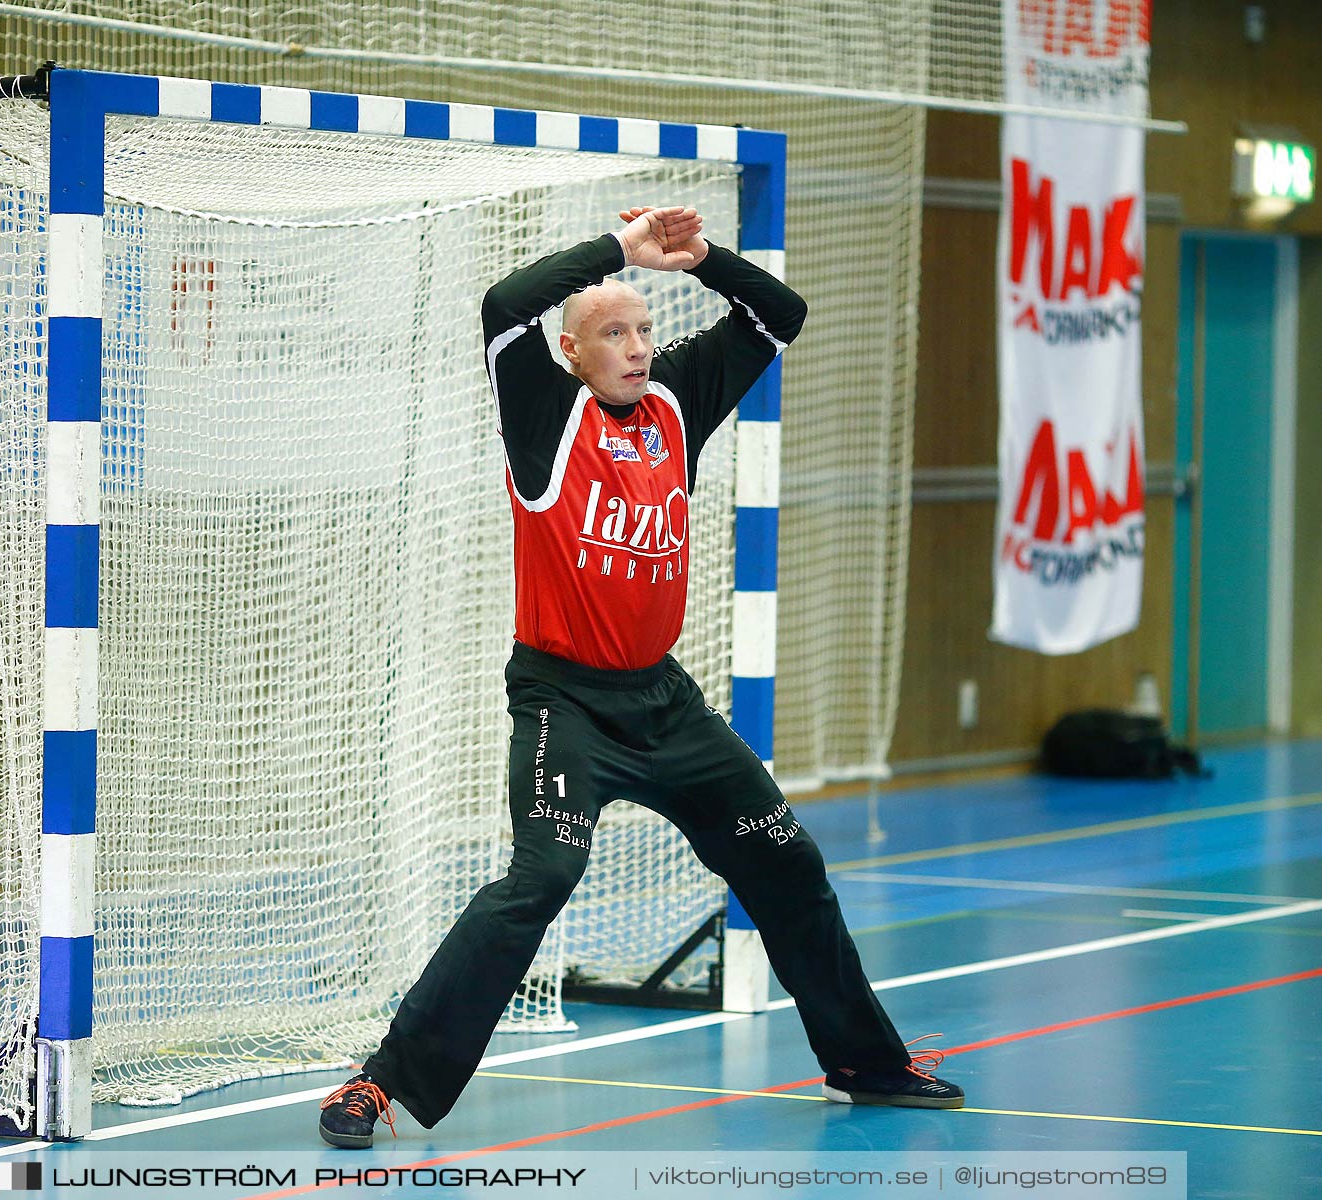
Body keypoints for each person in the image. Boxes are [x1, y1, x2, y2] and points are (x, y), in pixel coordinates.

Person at [318, 206, 961, 1149]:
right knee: (543, 876)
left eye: (645, 328)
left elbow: (779, 312)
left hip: (664, 705)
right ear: (572, 351)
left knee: (787, 860)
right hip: (563, 704)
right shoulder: (544, 409)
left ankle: (866, 1063)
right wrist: (620, 252)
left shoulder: (675, 405)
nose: (638, 346)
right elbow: (504, 305)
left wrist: (700, 260)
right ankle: (382, 1082)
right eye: (614, 332)